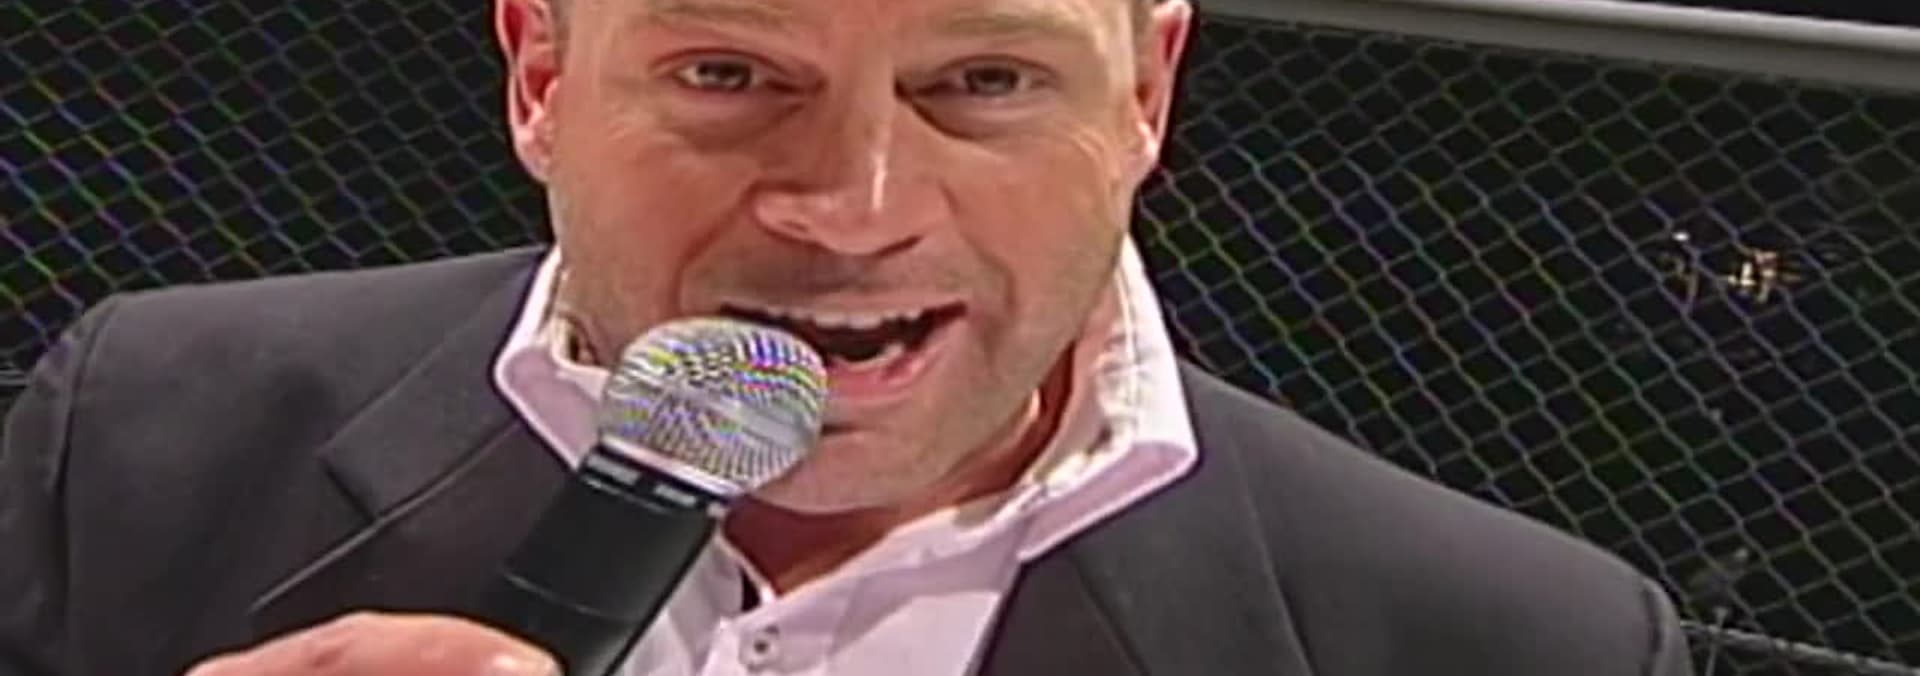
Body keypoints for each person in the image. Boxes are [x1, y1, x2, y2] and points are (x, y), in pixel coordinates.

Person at [0, 0, 1694, 673]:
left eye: (984, 82)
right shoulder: (142, 434)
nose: (852, 206)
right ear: (540, 75)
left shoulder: (1516, 644)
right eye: (729, 75)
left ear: (1146, 93)